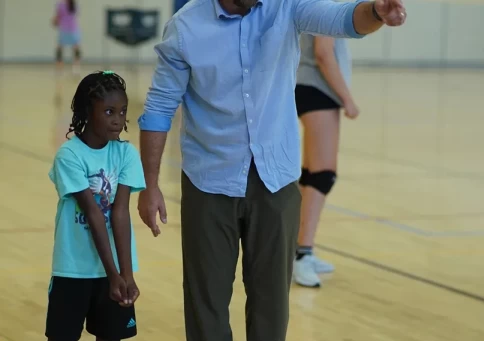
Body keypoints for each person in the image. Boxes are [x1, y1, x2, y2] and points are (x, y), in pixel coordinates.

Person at [137, 0, 406, 340]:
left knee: (272, 306)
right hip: (209, 183)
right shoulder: (185, 26)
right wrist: (150, 185)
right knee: (206, 305)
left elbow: (341, 19)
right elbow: (159, 108)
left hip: (276, 181)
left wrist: (375, 12)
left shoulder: (285, 6)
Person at [45, 71, 146, 341]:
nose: (118, 120)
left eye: (123, 112)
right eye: (109, 111)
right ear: (88, 112)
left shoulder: (126, 154)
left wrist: (126, 275)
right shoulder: (70, 156)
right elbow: (93, 214)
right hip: (73, 268)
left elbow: (120, 213)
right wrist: (114, 274)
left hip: (112, 271)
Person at [293, 31, 359, 287]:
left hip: (306, 85)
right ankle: (303, 254)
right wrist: (347, 98)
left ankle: (296, 250)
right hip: (318, 89)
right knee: (323, 174)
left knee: (311, 173)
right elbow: (323, 52)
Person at [52, 0, 81, 74]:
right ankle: (62, 66)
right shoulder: (62, 4)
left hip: (70, 29)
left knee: (74, 48)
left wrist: (56, 20)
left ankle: (75, 67)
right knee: (62, 48)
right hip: (68, 29)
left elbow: (58, 16)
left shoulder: (71, 4)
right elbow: (59, 16)